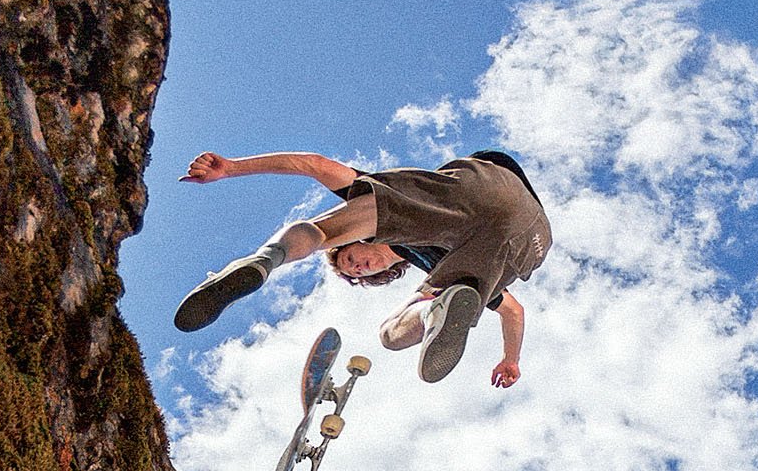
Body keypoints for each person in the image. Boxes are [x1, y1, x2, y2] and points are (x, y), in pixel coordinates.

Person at [174, 146, 550, 388]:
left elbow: (313, 165)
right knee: (392, 332)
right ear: (379, 276)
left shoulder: (398, 200)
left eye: (351, 258)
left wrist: (233, 167)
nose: (359, 265)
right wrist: (511, 359)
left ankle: (265, 258)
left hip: (485, 183)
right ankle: (435, 314)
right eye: (359, 272)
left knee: (329, 230)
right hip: (528, 242)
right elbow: (513, 311)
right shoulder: (439, 266)